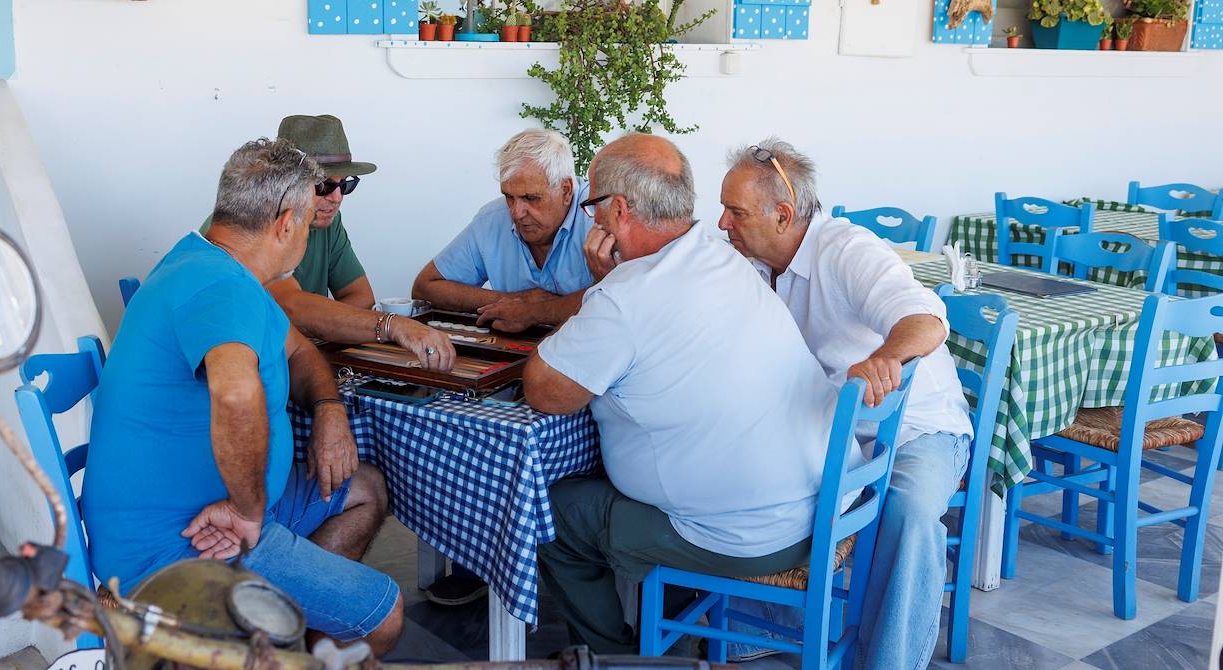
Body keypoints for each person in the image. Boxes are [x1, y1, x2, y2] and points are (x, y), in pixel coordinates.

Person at [523, 133, 850, 655]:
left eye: (592, 207)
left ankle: (611, 656)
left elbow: (545, 391)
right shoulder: (724, 257)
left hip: (750, 535)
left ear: (619, 210)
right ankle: (674, 628)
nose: (592, 221)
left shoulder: (624, 299)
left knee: (547, 511)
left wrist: (598, 291)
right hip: (827, 505)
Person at [83, 138, 402, 654]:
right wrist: (248, 509)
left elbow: (298, 353)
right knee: (382, 615)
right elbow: (234, 394)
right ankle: (289, 629)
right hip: (183, 545)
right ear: (285, 223)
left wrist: (326, 410)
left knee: (363, 486)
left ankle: (290, 636)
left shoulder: (214, 265)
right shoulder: (221, 288)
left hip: (213, 516)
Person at [716, 137, 973, 669]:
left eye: (735, 212)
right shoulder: (749, 259)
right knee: (732, 470)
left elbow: (924, 320)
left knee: (909, 511)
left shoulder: (847, 249)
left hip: (916, 431)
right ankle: (759, 629)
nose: (722, 224)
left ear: (783, 215)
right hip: (828, 432)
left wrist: (885, 359)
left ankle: (888, 662)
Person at [205, 114, 456, 371]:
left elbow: (359, 296)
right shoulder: (249, 222)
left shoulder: (326, 220)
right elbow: (291, 306)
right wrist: (390, 326)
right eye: (324, 186)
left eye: (344, 185)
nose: (337, 198)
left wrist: (321, 323)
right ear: (287, 183)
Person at [412, 129, 597, 331]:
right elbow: (425, 287)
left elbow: (623, 296)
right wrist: (514, 301)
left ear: (566, 190)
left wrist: (536, 312)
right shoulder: (493, 218)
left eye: (530, 198)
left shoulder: (599, 215)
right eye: (509, 196)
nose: (516, 213)